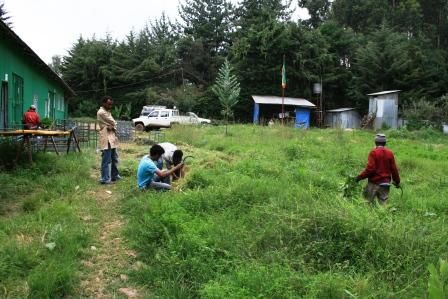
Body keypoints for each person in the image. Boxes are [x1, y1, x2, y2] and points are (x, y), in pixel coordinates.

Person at [356, 133, 400, 204]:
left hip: (375, 183)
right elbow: (394, 169)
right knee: (383, 206)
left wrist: (358, 177)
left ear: (375, 142)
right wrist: (397, 181)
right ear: (385, 143)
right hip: (386, 184)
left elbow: (370, 169)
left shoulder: (374, 152)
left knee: (367, 203)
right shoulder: (390, 153)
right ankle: (383, 214)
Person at [97, 96, 120, 184]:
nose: (110, 106)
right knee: (106, 159)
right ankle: (105, 179)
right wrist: (112, 126)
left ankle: (114, 175)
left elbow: (113, 124)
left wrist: (112, 127)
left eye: (111, 104)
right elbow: (114, 122)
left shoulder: (107, 111)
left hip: (112, 137)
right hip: (106, 137)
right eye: (109, 104)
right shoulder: (101, 112)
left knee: (114, 158)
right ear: (103, 103)